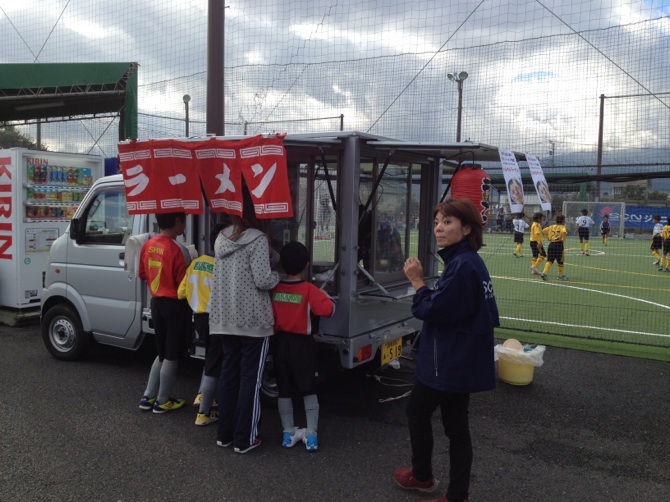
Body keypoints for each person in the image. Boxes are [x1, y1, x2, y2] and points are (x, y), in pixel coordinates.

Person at [392, 198, 499, 502]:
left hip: (447, 360)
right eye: (437, 222)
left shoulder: (463, 265)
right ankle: (456, 494)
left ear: (467, 229)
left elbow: (432, 309)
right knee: (456, 427)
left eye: (448, 222)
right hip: (459, 357)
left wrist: (417, 282)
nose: (439, 228)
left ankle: (423, 476)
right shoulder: (467, 261)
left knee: (418, 411)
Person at [210, 191, 280, 454]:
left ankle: (224, 434)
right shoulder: (258, 239)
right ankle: (245, 439)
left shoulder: (221, 238)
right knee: (251, 378)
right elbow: (263, 280)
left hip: (224, 318)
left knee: (229, 374)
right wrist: (278, 277)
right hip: (253, 321)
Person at [271, 241, 335, 452]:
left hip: (279, 343)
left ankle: (288, 433)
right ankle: (311, 434)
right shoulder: (309, 290)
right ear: (307, 265)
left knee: (284, 389)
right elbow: (328, 310)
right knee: (308, 387)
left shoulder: (275, 289)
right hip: (303, 346)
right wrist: (326, 297)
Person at [138, 212, 192, 413]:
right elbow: (184, 284)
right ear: (178, 221)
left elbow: (142, 274)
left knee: (162, 352)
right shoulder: (179, 249)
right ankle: (162, 401)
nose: (185, 225)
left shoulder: (148, 245)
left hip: (156, 304)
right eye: (184, 221)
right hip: (175, 305)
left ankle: (148, 397)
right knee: (172, 354)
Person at [178, 223, 227, 426]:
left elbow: (181, 292)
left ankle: (202, 395)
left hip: (199, 318)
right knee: (215, 364)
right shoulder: (223, 266)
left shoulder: (196, 263)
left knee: (210, 358)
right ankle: (204, 413)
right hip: (218, 319)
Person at [540, 214, 568, 281]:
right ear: (563, 221)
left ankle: (544, 273)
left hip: (551, 244)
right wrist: (562, 239)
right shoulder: (563, 227)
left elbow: (543, 231)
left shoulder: (552, 227)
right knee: (560, 261)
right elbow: (564, 232)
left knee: (550, 260)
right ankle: (560, 276)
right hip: (559, 245)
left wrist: (548, 238)